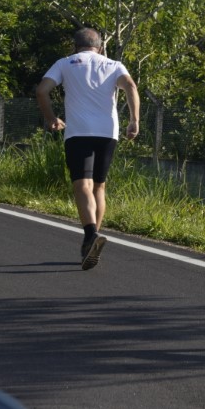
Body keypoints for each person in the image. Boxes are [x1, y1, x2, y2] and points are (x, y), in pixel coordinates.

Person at [36, 27, 140, 270]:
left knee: (82, 184)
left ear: (75, 46)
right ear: (100, 47)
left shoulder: (65, 63)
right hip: (108, 133)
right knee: (99, 186)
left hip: (78, 132)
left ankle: (91, 235)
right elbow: (131, 86)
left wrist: (51, 118)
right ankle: (90, 243)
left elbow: (41, 91)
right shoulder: (114, 65)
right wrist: (134, 120)